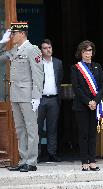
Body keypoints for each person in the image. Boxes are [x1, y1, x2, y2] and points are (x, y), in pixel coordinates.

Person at [0, 22, 44, 172]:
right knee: (20, 129)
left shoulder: (33, 50)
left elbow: (38, 74)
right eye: (11, 34)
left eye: (14, 33)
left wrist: (36, 96)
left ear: (22, 33)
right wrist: (2, 42)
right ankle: (23, 160)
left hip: (28, 95)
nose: (12, 36)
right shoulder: (13, 49)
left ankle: (31, 162)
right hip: (15, 95)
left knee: (31, 128)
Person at [71, 40, 103, 171]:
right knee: (83, 134)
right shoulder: (76, 68)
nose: (87, 53)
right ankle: (84, 161)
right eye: (85, 51)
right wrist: (88, 101)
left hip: (95, 105)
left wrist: (95, 101)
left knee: (92, 134)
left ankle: (93, 160)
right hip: (81, 106)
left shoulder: (97, 66)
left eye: (90, 50)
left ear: (93, 52)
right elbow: (76, 88)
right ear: (81, 53)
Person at [38, 39, 63, 162]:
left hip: (54, 99)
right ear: (41, 50)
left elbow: (60, 80)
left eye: (49, 47)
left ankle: (52, 153)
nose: (48, 50)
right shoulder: (37, 62)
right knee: (37, 128)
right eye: (45, 48)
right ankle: (35, 154)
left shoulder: (58, 63)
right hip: (40, 99)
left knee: (52, 128)